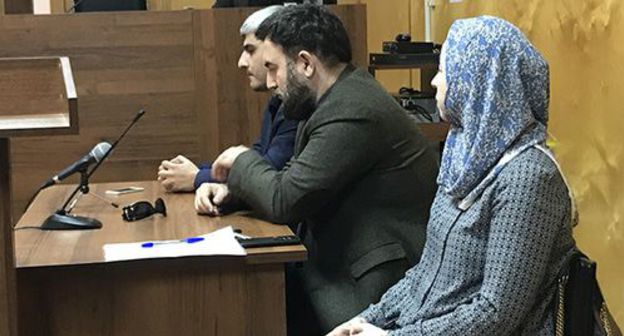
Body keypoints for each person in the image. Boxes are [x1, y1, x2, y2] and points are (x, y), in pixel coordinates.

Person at [195, 4, 439, 334]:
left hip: (368, 285)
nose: (269, 83)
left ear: (306, 64)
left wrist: (239, 160)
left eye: (273, 68)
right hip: (332, 265)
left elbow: (286, 199)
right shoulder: (326, 103)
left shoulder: (352, 111)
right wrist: (233, 192)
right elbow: (296, 181)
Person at [328, 16, 577, 336]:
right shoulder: (465, 153)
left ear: (478, 80)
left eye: (444, 70)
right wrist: (366, 320)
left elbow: (496, 313)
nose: (435, 82)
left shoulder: (528, 177)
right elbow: (426, 275)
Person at [157, 5, 298, 195]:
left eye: (250, 50)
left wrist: (197, 177)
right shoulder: (277, 102)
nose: (241, 62)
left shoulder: (297, 105)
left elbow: (269, 171)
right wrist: (199, 171)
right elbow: (258, 156)